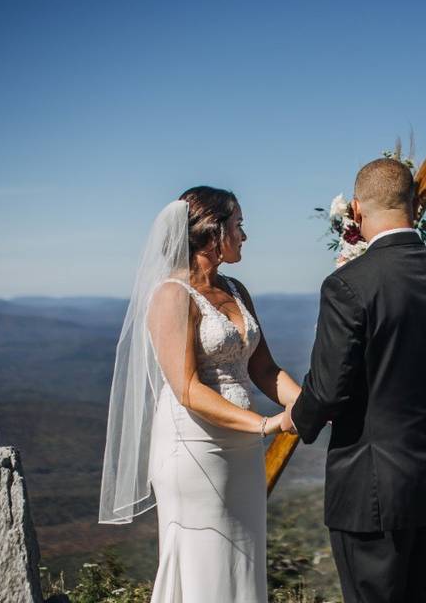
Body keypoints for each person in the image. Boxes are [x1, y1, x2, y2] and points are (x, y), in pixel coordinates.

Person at [287, 158, 426, 603]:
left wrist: (298, 418)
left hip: (372, 491)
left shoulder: (348, 284)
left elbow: (330, 389)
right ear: (414, 204)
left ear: (356, 211)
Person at [99, 186, 300, 603]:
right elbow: (188, 389)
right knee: (205, 562)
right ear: (212, 232)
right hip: (195, 451)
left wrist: (305, 402)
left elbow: (263, 368)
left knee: (242, 561)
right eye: (239, 225)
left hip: (241, 452)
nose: (244, 235)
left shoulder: (237, 290)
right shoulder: (172, 295)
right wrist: (265, 424)